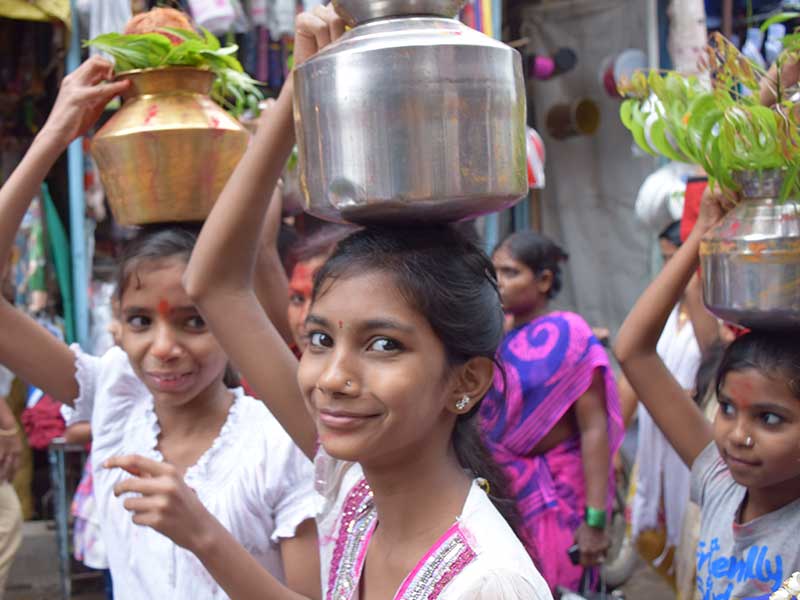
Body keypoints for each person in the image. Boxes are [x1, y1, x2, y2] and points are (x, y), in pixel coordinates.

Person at [105, 6, 553, 599]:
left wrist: (204, 536)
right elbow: (212, 281)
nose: (331, 378)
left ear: (465, 381)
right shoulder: (357, 487)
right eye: (320, 339)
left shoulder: (489, 583)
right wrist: (299, 90)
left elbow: (215, 283)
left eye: (384, 344)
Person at [0, 56, 320, 600]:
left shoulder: (279, 441)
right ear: (116, 327)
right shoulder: (115, 399)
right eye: (141, 321)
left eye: (196, 322)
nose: (165, 349)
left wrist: (202, 535)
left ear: (231, 321)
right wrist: (56, 133)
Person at [614, 185, 800, 599]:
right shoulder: (720, 480)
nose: (738, 434)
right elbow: (633, 351)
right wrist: (702, 231)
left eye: (770, 418)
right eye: (729, 408)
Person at [482, 230, 623, 593]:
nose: (498, 283)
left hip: (560, 497)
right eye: (494, 272)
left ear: (544, 280)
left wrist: (595, 520)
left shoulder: (570, 335)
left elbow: (594, 430)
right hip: (506, 493)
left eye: (511, 272)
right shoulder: (495, 337)